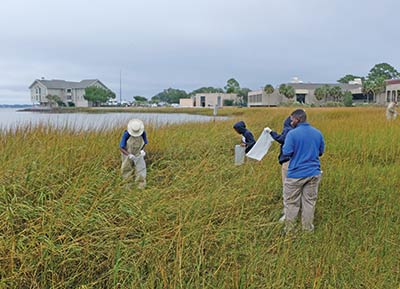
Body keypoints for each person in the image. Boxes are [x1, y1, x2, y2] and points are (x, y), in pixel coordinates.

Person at [282, 109, 325, 232]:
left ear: (297, 119)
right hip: (313, 173)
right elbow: (321, 152)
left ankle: (290, 230)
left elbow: (286, 152)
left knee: (291, 203)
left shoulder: (292, 134)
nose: (291, 122)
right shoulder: (318, 133)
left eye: (292, 119)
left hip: (295, 174)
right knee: (309, 202)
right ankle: (307, 230)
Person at [264, 116, 294, 222]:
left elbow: (282, 140)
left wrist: (272, 132)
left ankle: (288, 215)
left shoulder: (288, 130)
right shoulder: (303, 132)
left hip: (288, 163)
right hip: (303, 165)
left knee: (287, 188)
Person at [119, 119, 148, 189]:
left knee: (141, 169)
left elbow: (144, 143)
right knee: (126, 169)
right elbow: (121, 147)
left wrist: (142, 150)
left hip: (138, 153)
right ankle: (127, 186)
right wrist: (129, 155)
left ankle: (140, 186)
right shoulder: (126, 134)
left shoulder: (143, 133)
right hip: (127, 153)